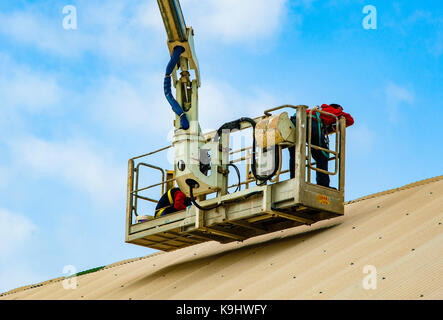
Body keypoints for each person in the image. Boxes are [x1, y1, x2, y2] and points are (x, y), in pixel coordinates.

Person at [288, 104, 354, 188]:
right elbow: (350, 120)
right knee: (322, 155)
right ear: (337, 108)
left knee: (296, 152)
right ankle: (323, 183)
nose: (341, 111)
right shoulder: (331, 110)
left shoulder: (319, 111)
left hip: (295, 122)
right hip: (310, 123)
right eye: (341, 109)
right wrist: (334, 127)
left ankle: (294, 179)